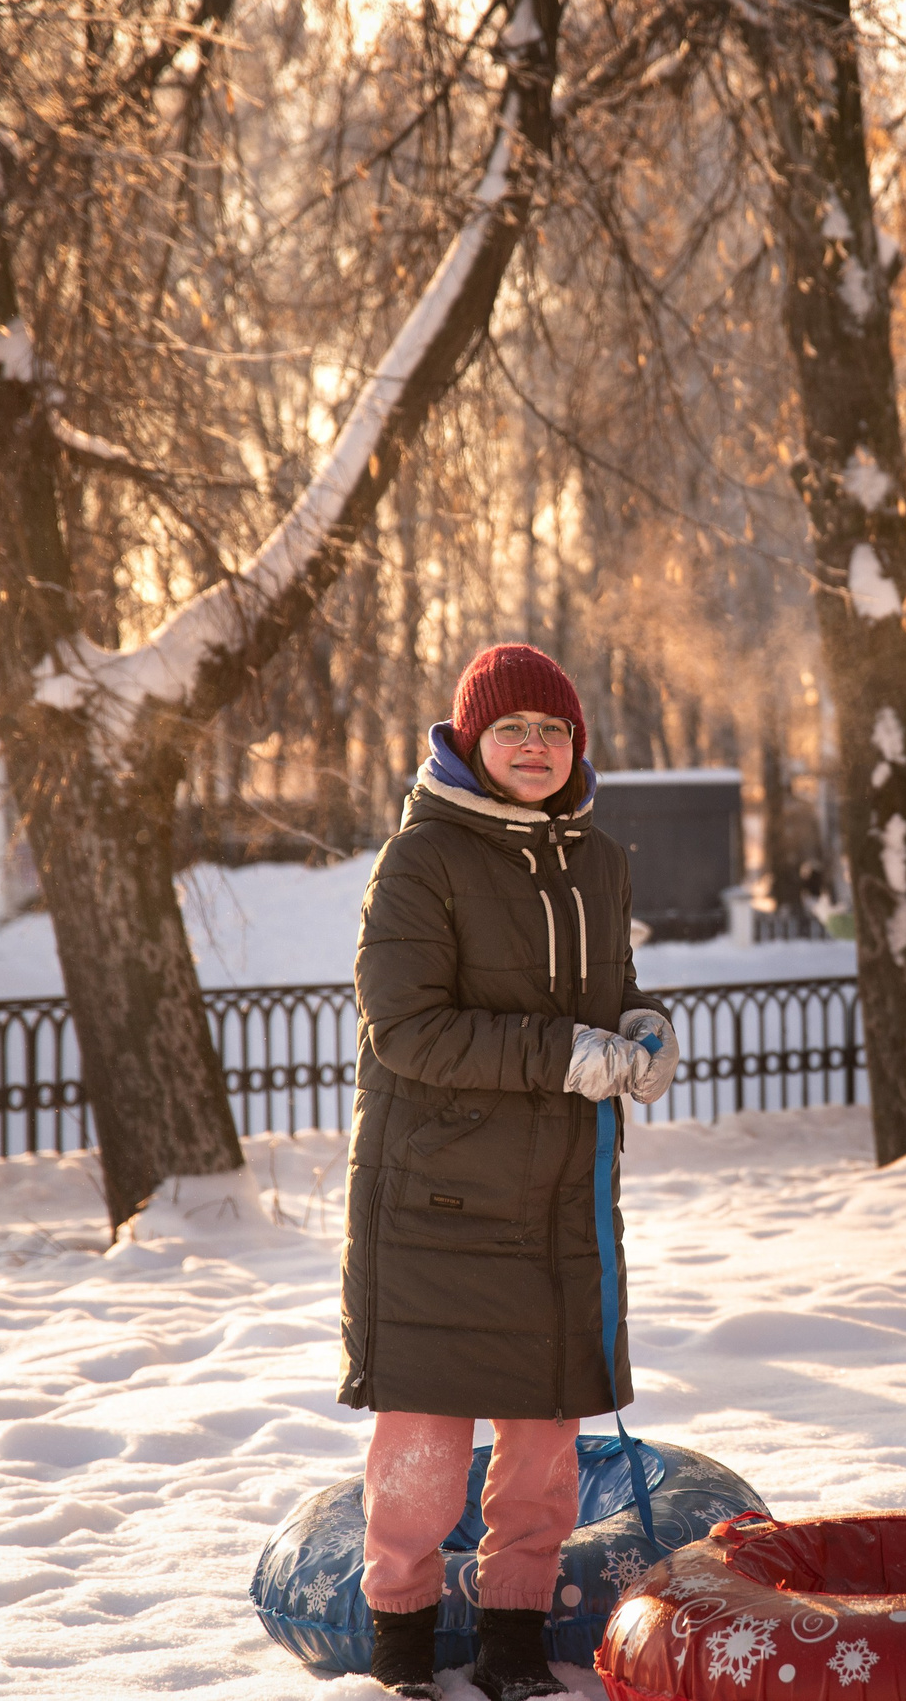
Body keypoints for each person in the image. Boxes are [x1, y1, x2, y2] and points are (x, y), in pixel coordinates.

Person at [340, 643, 679, 1701]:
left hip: (556, 1197)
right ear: (468, 741)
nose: (533, 747)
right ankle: (399, 1644)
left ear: (576, 743)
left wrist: (640, 1022)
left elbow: (610, 981)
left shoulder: (598, 857)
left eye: (553, 730)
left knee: (541, 1444)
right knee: (428, 1445)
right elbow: (404, 1027)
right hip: (436, 1197)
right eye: (510, 730)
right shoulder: (420, 857)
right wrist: (561, 1057)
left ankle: (515, 1646)